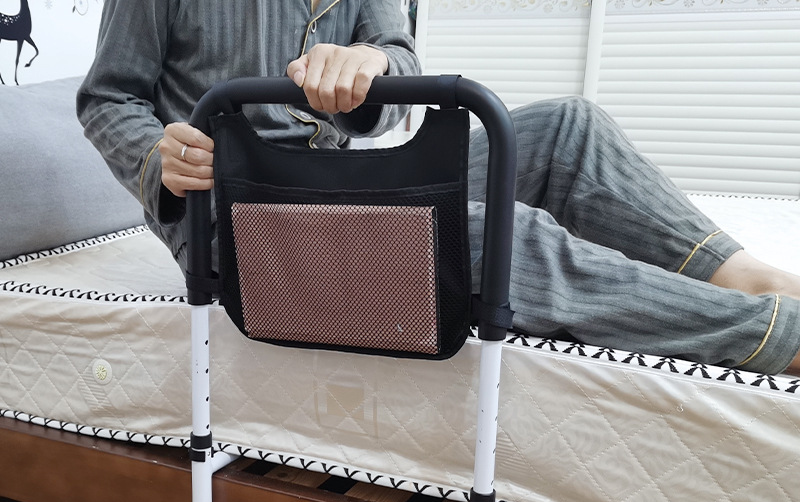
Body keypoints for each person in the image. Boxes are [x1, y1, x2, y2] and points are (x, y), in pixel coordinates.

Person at [77, 0, 800, 376]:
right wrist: (159, 157)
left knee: (568, 127)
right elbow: (108, 96)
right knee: (479, 234)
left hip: (338, 187)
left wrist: (369, 66)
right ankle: (773, 335)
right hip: (238, 219)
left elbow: (399, 66)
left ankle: (749, 278)